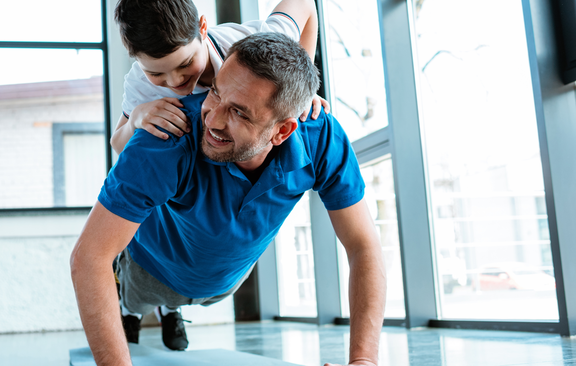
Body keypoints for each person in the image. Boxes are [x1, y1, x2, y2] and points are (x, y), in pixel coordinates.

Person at [69, 32, 386, 366]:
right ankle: (133, 308)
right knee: (135, 302)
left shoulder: (321, 137)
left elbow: (364, 246)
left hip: (227, 277)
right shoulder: (165, 138)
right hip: (153, 271)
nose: (214, 119)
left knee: (205, 284)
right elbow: (88, 257)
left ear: (282, 131)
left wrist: (363, 361)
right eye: (216, 92)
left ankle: (170, 309)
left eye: (239, 112)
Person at [111, 0, 329, 153]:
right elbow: (118, 144)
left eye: (185, 63)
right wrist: (135, 120)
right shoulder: (140, 83)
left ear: (202, 28)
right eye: (156, 73)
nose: (175, 81)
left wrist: (301, 89)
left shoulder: (262, 48)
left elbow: (304, 4)